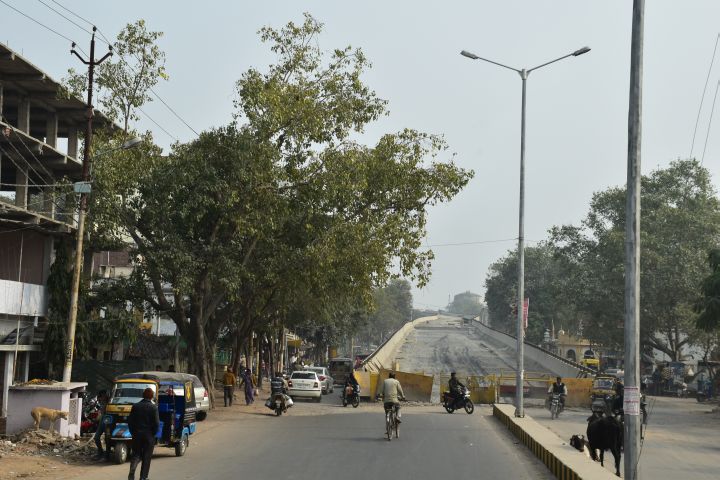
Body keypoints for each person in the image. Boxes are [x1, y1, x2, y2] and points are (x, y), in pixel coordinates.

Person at [127, 387, 159, 480]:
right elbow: (157, 423)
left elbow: (130, 421)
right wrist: (153, 434)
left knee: (136, 454)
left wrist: (133, 432)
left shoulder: (136, 406)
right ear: (152, 396)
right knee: (146, 457)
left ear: (143, 395)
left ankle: (132, 471)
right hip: (148, 435)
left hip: (136, 434)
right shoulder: (154, 408)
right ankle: (143, 477)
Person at [92, 390, 110, 460]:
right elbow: (100, 413)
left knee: (107, 438)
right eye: (100, 396)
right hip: (102, 421)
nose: (101, 398)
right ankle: (100, 452)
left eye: (102, 396)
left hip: (108, 421)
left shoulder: (110, 402)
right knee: (96, 437)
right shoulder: (100, 404)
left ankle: (107, 455)